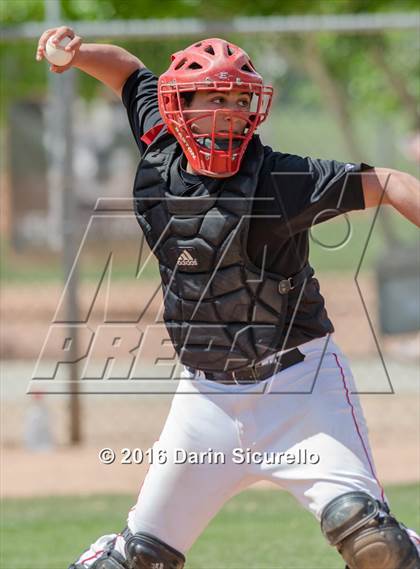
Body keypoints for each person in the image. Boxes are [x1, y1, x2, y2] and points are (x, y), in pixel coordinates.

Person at [36, 27, 420, 569]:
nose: (231, 111)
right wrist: (78, 55)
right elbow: (126, 70)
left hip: (300, 389)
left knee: (374, 544)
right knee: (137, 559)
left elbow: (386, 181)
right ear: (179, 107)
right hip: (207, 400)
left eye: (241, 99)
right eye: (215, 97)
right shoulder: (160, 150)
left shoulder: (281, 178)